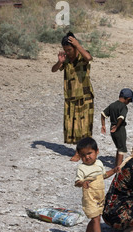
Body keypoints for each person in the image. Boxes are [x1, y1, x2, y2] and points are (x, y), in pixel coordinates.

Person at [52, 32, 94, 162]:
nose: (67, 52)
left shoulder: (82, 55)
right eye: (65, 50)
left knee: (84, 127)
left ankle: (81, 153)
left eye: (69, 49)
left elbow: (89, 58)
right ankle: (81, 151)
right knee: (73, 126)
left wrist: (78, 45)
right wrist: (59, 62)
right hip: (70, 97)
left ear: (75, 47)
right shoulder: (66, 60)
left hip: (85, 97)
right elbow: (53, 70)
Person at [75, 137, 118, 232]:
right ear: (80, 156)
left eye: (89, 153)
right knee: (95, 219)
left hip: (99, 196)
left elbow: (103, 175)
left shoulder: (99, 163)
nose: (87, 157)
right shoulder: (81, 168)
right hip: (89, 197)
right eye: (83, 155)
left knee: (96, 218)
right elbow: (77, 182)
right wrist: (82, 183)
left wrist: (114, 171)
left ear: (97, 151)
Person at [101, 88, 133, 167]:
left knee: (118, 147)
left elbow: (103, 114)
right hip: (119, 129)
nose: (128, 103)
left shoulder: (112, 105)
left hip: (111, 128)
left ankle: (116, 164)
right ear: (127, 99)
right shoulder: (124, 107)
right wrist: (117, 126)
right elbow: (121, 117)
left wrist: (103, 125)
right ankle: (118, 167)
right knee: (122, 149)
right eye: (129, 101)